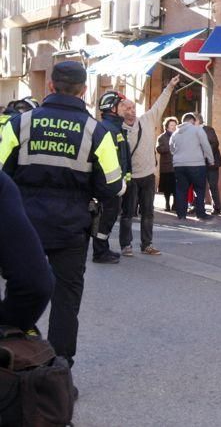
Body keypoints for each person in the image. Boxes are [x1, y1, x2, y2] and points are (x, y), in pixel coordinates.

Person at [0, 60, 124, 366]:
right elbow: (113, 185)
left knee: (22, 284)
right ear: (84, 91)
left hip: (22, 222)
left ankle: (16, 350)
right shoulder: (97, 131)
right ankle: (60, 366)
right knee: (66, 296)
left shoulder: (20, 123)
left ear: (50, 86)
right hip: (71, 225)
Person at [119, 76, 179, 257]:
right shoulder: (117, 129)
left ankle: (147, 244)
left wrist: (169, 86)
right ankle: (126, 245)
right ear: (120, 110)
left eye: (132, 107)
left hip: (148, 175)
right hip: (130, 176)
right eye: (127, 108)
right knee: (128, 213)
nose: (131, 110)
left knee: (148, 212)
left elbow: (160, 104)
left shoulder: (147, 120)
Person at [0, 170, 54, 331]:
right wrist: (8, 329)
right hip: (71, 224)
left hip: (30, 209)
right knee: (68, 292)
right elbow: (34, 284)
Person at [92, 91, 132, 264]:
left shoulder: (115, 128)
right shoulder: (107, 129)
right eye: (122, 106)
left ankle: (103, 248)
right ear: (113, 108)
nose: (127, 110)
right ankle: (100, 252)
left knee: (108, 218)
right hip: (108, 185)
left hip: (115, 184)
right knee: (105, 218)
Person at [170, 113, 215, 221]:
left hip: (179, 165)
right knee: (199, 189)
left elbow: (171, 149)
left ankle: (181, 215)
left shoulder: (175, 133)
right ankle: (200, 214)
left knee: (181, 190)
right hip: (196, 164)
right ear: (192, 121)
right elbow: (206, 145)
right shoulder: (197, 130)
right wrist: (211, 160)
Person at [198, 116, 221, 215]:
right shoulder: (193, 131)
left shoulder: (208, 129)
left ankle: (217, 207)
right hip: (199, 163)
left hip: (211, 163)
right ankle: (199, 206)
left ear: (197, 120)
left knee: (213, 185)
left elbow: (215, 143)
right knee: (199, 185)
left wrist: (204, 153)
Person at [156, 117, 178, 211]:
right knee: (167, 188)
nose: (173, 127)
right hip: (166, 166)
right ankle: (167, 204)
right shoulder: (161, 137)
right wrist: (170, 148)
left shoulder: (178, 136)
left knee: (176, 187)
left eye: (174, 125)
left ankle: (175, 204)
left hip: (177, 165)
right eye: (171, 125)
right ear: (167, 126)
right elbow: (159, 149)